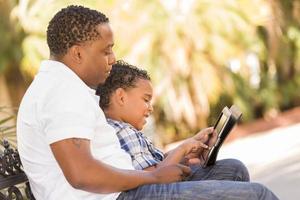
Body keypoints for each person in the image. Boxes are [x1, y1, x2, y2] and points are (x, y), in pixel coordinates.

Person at [16, 5, 279, 200]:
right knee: (257, 195)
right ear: (77, 53)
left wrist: (156, 173)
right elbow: (81, 174)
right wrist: (152, 177)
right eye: (105, 50)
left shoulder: (64, 86)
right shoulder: (61, 91)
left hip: (127, 190)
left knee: (231, 171)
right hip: (120, 197)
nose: (112, 58)